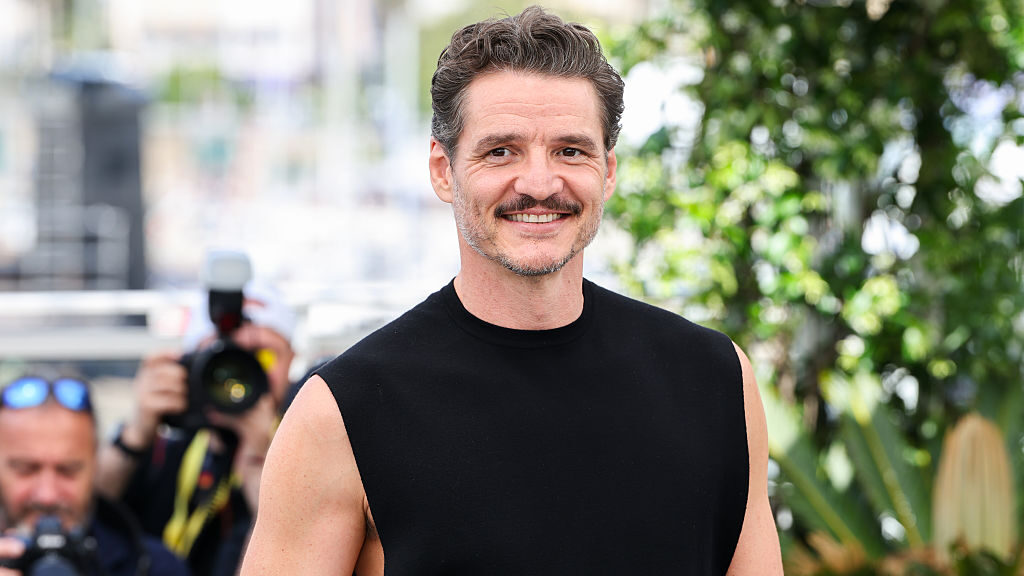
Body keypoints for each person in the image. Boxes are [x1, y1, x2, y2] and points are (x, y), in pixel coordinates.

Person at [241, 6, 783, 574]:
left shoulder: (716, 379)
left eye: (570, 150)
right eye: (501, 151)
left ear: (608, 171)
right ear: (443, 170)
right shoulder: (342, 411)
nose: (540, 183)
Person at [94, 280, 296, 576]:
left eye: (262, 356)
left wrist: (263, 466)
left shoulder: (307, 451)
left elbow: (298, 557)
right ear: (191, 364)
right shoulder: (168, 448)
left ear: (291, 361)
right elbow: (87, 514)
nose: (236, 377)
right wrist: (135, 435)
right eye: (220, 358)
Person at [0, 374, 190, 576]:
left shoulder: (155, 567)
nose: (48, 496)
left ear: (95, 464)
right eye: (26, 470)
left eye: (68, 470)